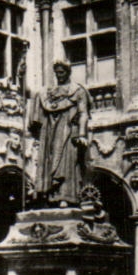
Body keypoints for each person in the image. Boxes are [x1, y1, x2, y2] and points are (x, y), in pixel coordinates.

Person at [27, 60, 91, 206]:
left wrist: (82, 134)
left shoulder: (77, 91)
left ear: (68, 72)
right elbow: (34, 95)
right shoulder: (50, 93)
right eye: (56, 73)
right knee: (49, 161)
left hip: (69, 131)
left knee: (67, 162)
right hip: (51, 132)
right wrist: (21, 78)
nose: (59, 75)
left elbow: (83, 113)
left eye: (61, 72)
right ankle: (51, 196)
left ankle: (65, 197)